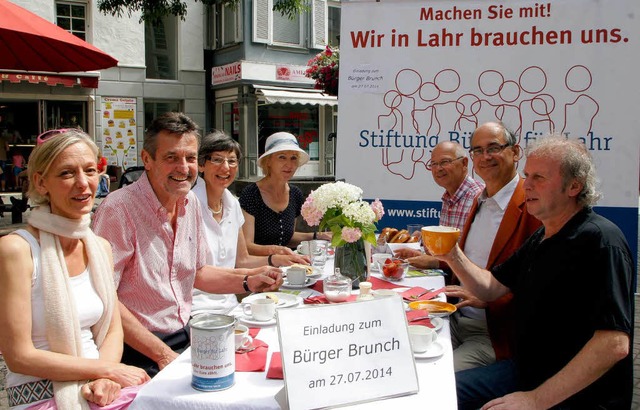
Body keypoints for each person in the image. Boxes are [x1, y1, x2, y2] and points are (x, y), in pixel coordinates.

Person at [444, 135, 634, 409]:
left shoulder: (600, 241)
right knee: (441, 391)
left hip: (577, 394)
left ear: (574, 186)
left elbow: (614, 344)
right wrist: (452, 254)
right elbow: (491, 287)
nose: (527, 185)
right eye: (527, 175)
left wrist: (535, 400)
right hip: (525, 372)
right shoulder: (544, 235)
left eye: (539, 178)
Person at [92, 112, 283, 376]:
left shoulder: (189, 202)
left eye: (190, 158)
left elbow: (199, 272)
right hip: (135, 349)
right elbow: (104, 298)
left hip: (184, 334)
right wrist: (162, 355)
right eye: (171, 158)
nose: (183, 168)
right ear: (147, 160)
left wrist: (249, 280)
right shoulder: (118, 209)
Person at [0, 129, 149, 409]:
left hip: (102, 389)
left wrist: (105, 377)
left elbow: (113, 331)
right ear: (41, 183)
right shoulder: (17, 250)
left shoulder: (100, 247)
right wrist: (105, 371)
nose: (83, 184)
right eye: (67, 174)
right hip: (41, 395)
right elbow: (18, 356)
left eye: (90, 171)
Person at [398, 122, 541, 371]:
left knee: (430, 375)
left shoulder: (532, 207)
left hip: (492, 335)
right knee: (397, 354)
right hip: (453, 316)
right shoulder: (481, 200)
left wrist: (490, 299)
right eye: (478, 150)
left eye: (493, 148)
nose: (485, 157)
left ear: (515, 152)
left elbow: (540, 288)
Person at [191, 130, 309, 314]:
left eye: (231, 161)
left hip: (230, 305)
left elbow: (242, 260)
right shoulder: (186, 205)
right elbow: (193, 273)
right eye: (217, 159)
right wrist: (263, 267)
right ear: (201, 165)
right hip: (194, 308)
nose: (225, 167)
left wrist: (275, 263)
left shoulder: (232, 204)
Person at [239, 132, 331, 257]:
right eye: (282, 157)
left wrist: (320, 236)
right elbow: (246, 246)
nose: (289, 164)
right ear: (268, 161)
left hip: (286, 267)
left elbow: (288, 237)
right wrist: (278, 251)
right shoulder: (251, 194)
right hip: (258, 269)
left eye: (293, 158)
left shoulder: (295, 194)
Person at [395, 140, 484, 266]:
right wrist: (421, 254)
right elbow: (447, 252)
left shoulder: (479, 198)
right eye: (433, 164)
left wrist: (434, 262)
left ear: (464, 163)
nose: (438, 169)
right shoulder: (449, 198)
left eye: (445, 162)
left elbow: (478, 257)